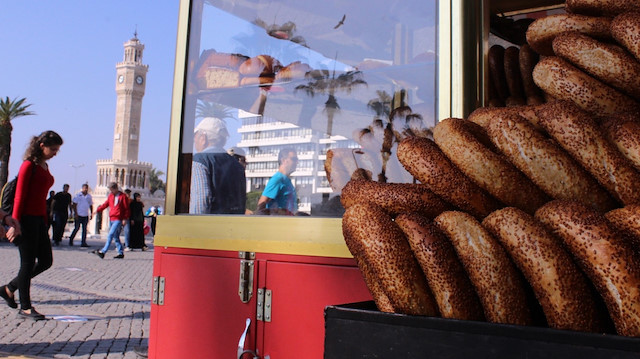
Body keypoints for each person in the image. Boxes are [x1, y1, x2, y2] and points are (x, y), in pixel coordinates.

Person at [0, 130, 63, 320]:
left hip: (39, 220)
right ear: (42, 146)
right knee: (27, 264)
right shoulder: (28, 165)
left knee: (45, 261)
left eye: (57, 150)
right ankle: (25, 307)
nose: (55, 153)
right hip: (25, 220)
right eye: (53, 149)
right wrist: (15, 223)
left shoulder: (44, 166)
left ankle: (9, 288)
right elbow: (19, 196)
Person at [189, 117, 246, 214]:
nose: (195, 143)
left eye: (196, 138)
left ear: (203, 138)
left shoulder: (199, 161)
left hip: (210, 226)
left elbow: (201, 201)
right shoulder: (238, 166)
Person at [91, 182, 130, 259]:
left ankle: (103, 251)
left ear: (115, 188)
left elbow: (126, 209)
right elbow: (105, 204)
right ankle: (120, 252)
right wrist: (97, 210)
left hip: (118, 219)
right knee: (115, 236)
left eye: (111, 189)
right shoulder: (110, 196)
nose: (111, 191)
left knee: (110, 235)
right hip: (111, 218)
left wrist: (125, 218)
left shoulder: (122, 196)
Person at [256, 148, 298, 215]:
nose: (297, 162)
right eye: (294, 159)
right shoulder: (277, 179)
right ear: (284, 160)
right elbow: (262, 204)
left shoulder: (286, 180)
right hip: (279, 222)